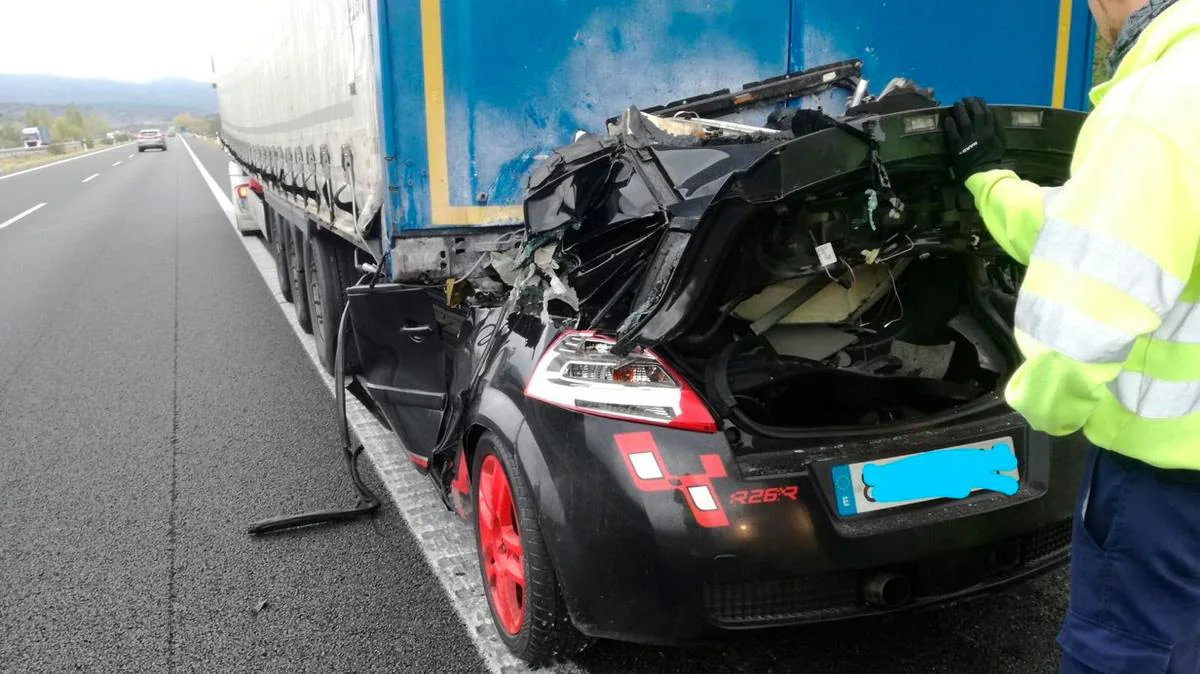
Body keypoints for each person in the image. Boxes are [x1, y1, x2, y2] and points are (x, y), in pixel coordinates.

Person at [943, 0, 1200, 671]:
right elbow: (1099, 231)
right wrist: (988, 181)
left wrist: (1041, 412)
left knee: (1127, 657)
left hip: (1168, 490)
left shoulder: (1163, 99)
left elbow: (1088, 305)